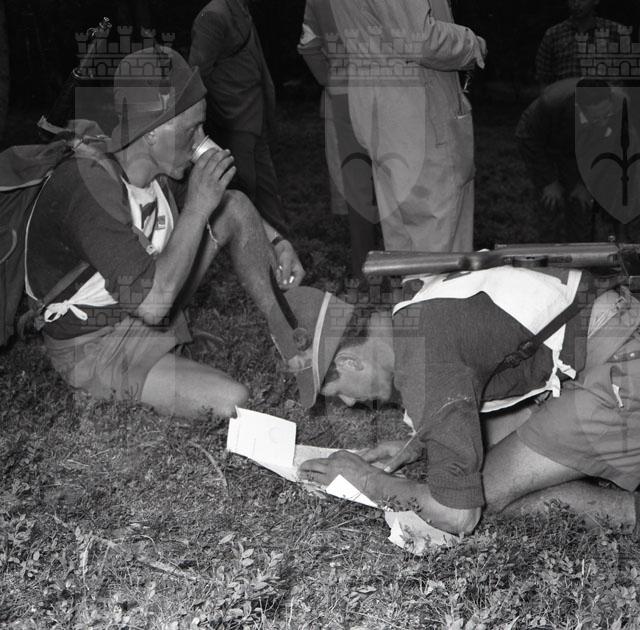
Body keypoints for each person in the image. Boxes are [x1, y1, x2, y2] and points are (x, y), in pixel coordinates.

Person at [25, 46, 304, 419]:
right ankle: (102, 382)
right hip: (94, 345)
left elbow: (232, 206)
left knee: (234, 206)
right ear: (151, 132)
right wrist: (198, 205)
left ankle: (291, 338)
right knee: (233, 401)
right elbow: (154, 307)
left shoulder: (157, 169)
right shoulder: (87, 187)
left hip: (138, 308)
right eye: (192, 129)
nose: (202, 141)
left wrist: (277, 241)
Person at [277, 266, 640, 536]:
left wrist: (368, 481)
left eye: (338, 391)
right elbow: (471, 369)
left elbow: (458, 514)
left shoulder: (421, 363)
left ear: (349, 362)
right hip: (617, 333)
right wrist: (423, 440)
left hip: (620, 376)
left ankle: (631, 513)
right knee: (486, 465)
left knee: (481, 494)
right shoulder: (412, 310)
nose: (349, 403)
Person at [311, 0, 486, 253]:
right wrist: (472, 45)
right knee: (439, 246)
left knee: (403, 242)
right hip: (414, 105)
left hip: (377, 97)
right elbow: (421, 38)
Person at [188, 0, 288, 237]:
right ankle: (252, 249)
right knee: (243, 193)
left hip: (254, 116)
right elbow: (196, 77)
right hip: (232, 121)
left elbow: (257, 64)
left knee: (267, 191)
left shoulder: (240, 9)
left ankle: (280, 246)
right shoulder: (213, 16)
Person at [298, 0, 379, 283]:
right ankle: (407, 266)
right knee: (397, 179)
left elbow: (308, 45)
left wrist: (331, 79)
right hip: (389, 90)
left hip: (344, 94)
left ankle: (365, 269)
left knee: (357, 187)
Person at [516, 78, 628, 241]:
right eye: (597, 118)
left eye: (607, 114)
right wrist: (548, 181)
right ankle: (549, 248)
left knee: (582, 205)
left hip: (582, 148)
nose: (604, 122)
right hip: (546, 144)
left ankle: (582, 249)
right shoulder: (551, 104)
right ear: (580, 108)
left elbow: (607, 148)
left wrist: (585, 184)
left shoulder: (619, 104)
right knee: (550, 203)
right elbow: (528, 138)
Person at [535, 0, 625, 89]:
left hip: (607, 96)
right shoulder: (553, 35)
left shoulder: (615, 32)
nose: (576, 3)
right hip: (567, 96)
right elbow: (543, 78)